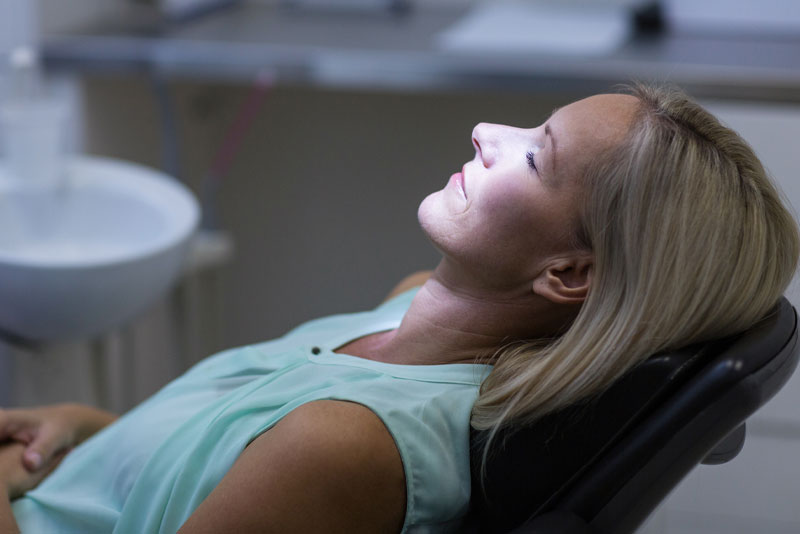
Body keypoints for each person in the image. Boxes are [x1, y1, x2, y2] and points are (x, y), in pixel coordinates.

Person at [0, 83, 797, 533]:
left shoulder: (345, 446)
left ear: (568, 273)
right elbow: (222, 462)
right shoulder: (405, 309)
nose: (486, 129)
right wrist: (88, 430)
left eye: (535, 153)